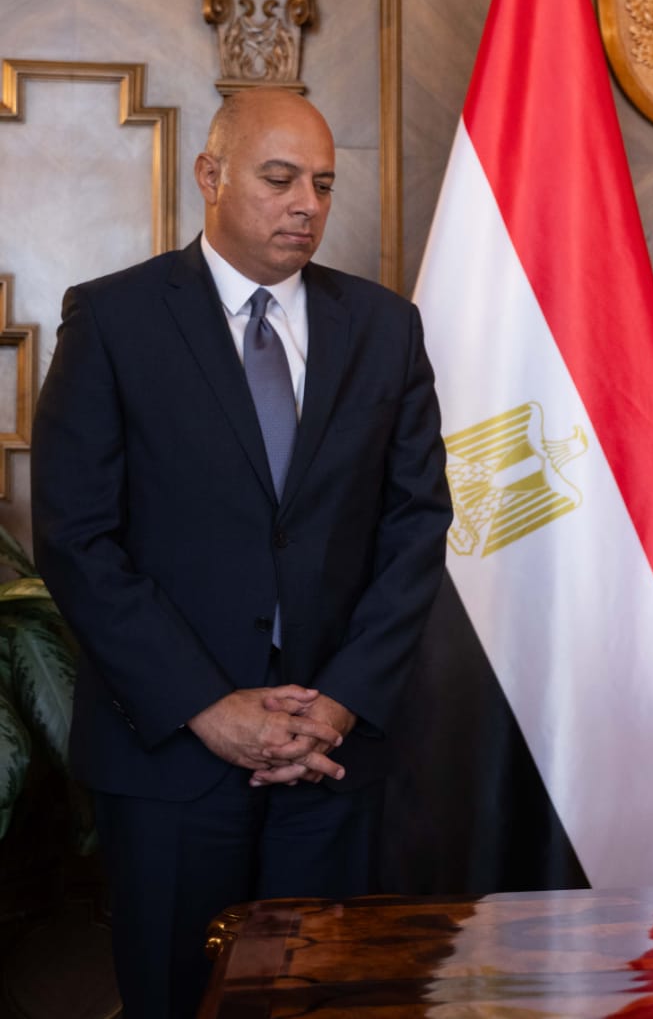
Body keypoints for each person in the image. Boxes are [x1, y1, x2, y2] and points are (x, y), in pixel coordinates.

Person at [31, 88, 453, 1017]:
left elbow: (417, 525)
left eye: (324, 184)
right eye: (280, 178)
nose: (307, 203)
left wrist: (336, 704)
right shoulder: (113, 319)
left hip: (332, 759)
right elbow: (75, 536)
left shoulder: (385, 327)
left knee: (324, 1005)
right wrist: (205, 706)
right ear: (209, 175)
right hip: (169, 761)